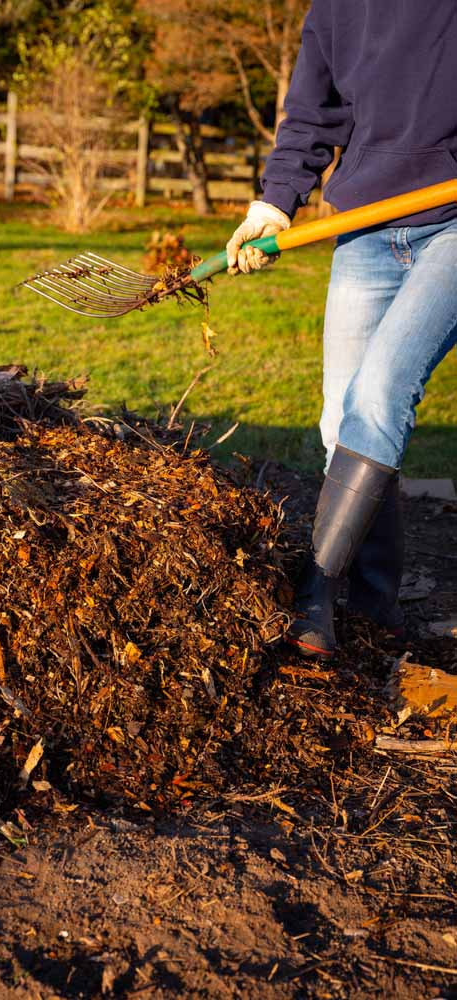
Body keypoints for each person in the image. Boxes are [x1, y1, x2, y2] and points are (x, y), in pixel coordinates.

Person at [226, 0, 457, 658]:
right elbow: (311, 111)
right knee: (342, 423)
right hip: (365, 227)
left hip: (452, 221)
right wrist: (275, 201)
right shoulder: (333, 8)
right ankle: (376, 611)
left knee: (381, 392)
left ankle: (316, 594)